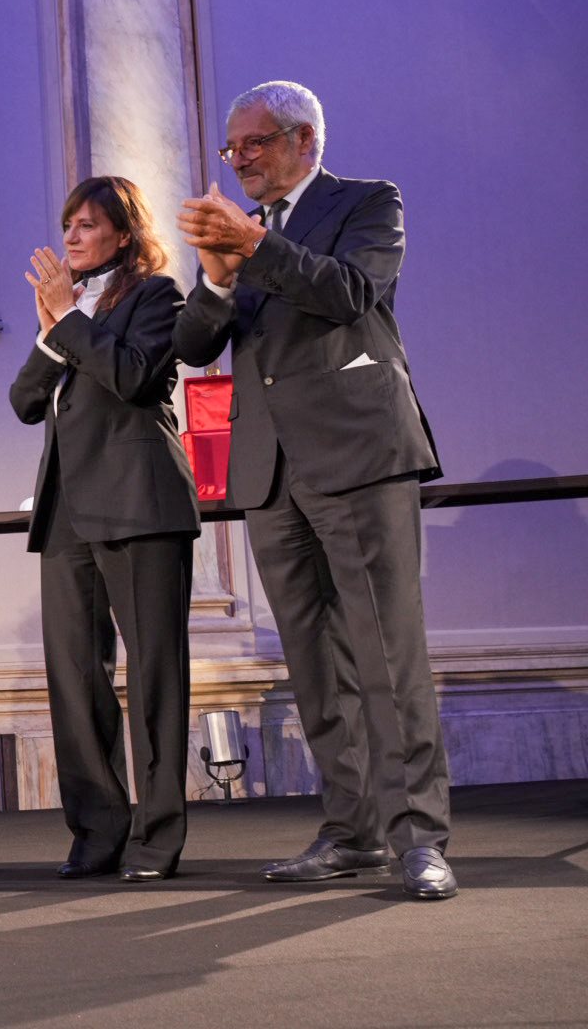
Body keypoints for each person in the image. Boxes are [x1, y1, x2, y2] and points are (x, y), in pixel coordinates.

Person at [174, 80, 454, 899]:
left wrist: (255, 251)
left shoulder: (368, 204)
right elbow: (194, 346)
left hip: (358, 455)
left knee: (385, 654)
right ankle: (353, 832)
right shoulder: (248, 238)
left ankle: (420, 839)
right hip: (271, 472)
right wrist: (220, 277)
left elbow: (348, 294)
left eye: (253, 143)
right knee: (314, 664)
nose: (240, 160)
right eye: (231, 149)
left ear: (303, 139)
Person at [10, 176, 200, 883]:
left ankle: (156, 838)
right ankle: (97, 831)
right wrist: (55, 329)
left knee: (153, 674)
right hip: (68, 512)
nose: (72, 237)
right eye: (68, 225)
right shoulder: (69, 312)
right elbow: (24, 400)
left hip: (140, 503)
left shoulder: (156, 296)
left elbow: (134, 378)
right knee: (74, 680)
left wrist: (69, 321)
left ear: (124, 234)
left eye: (88, 225)